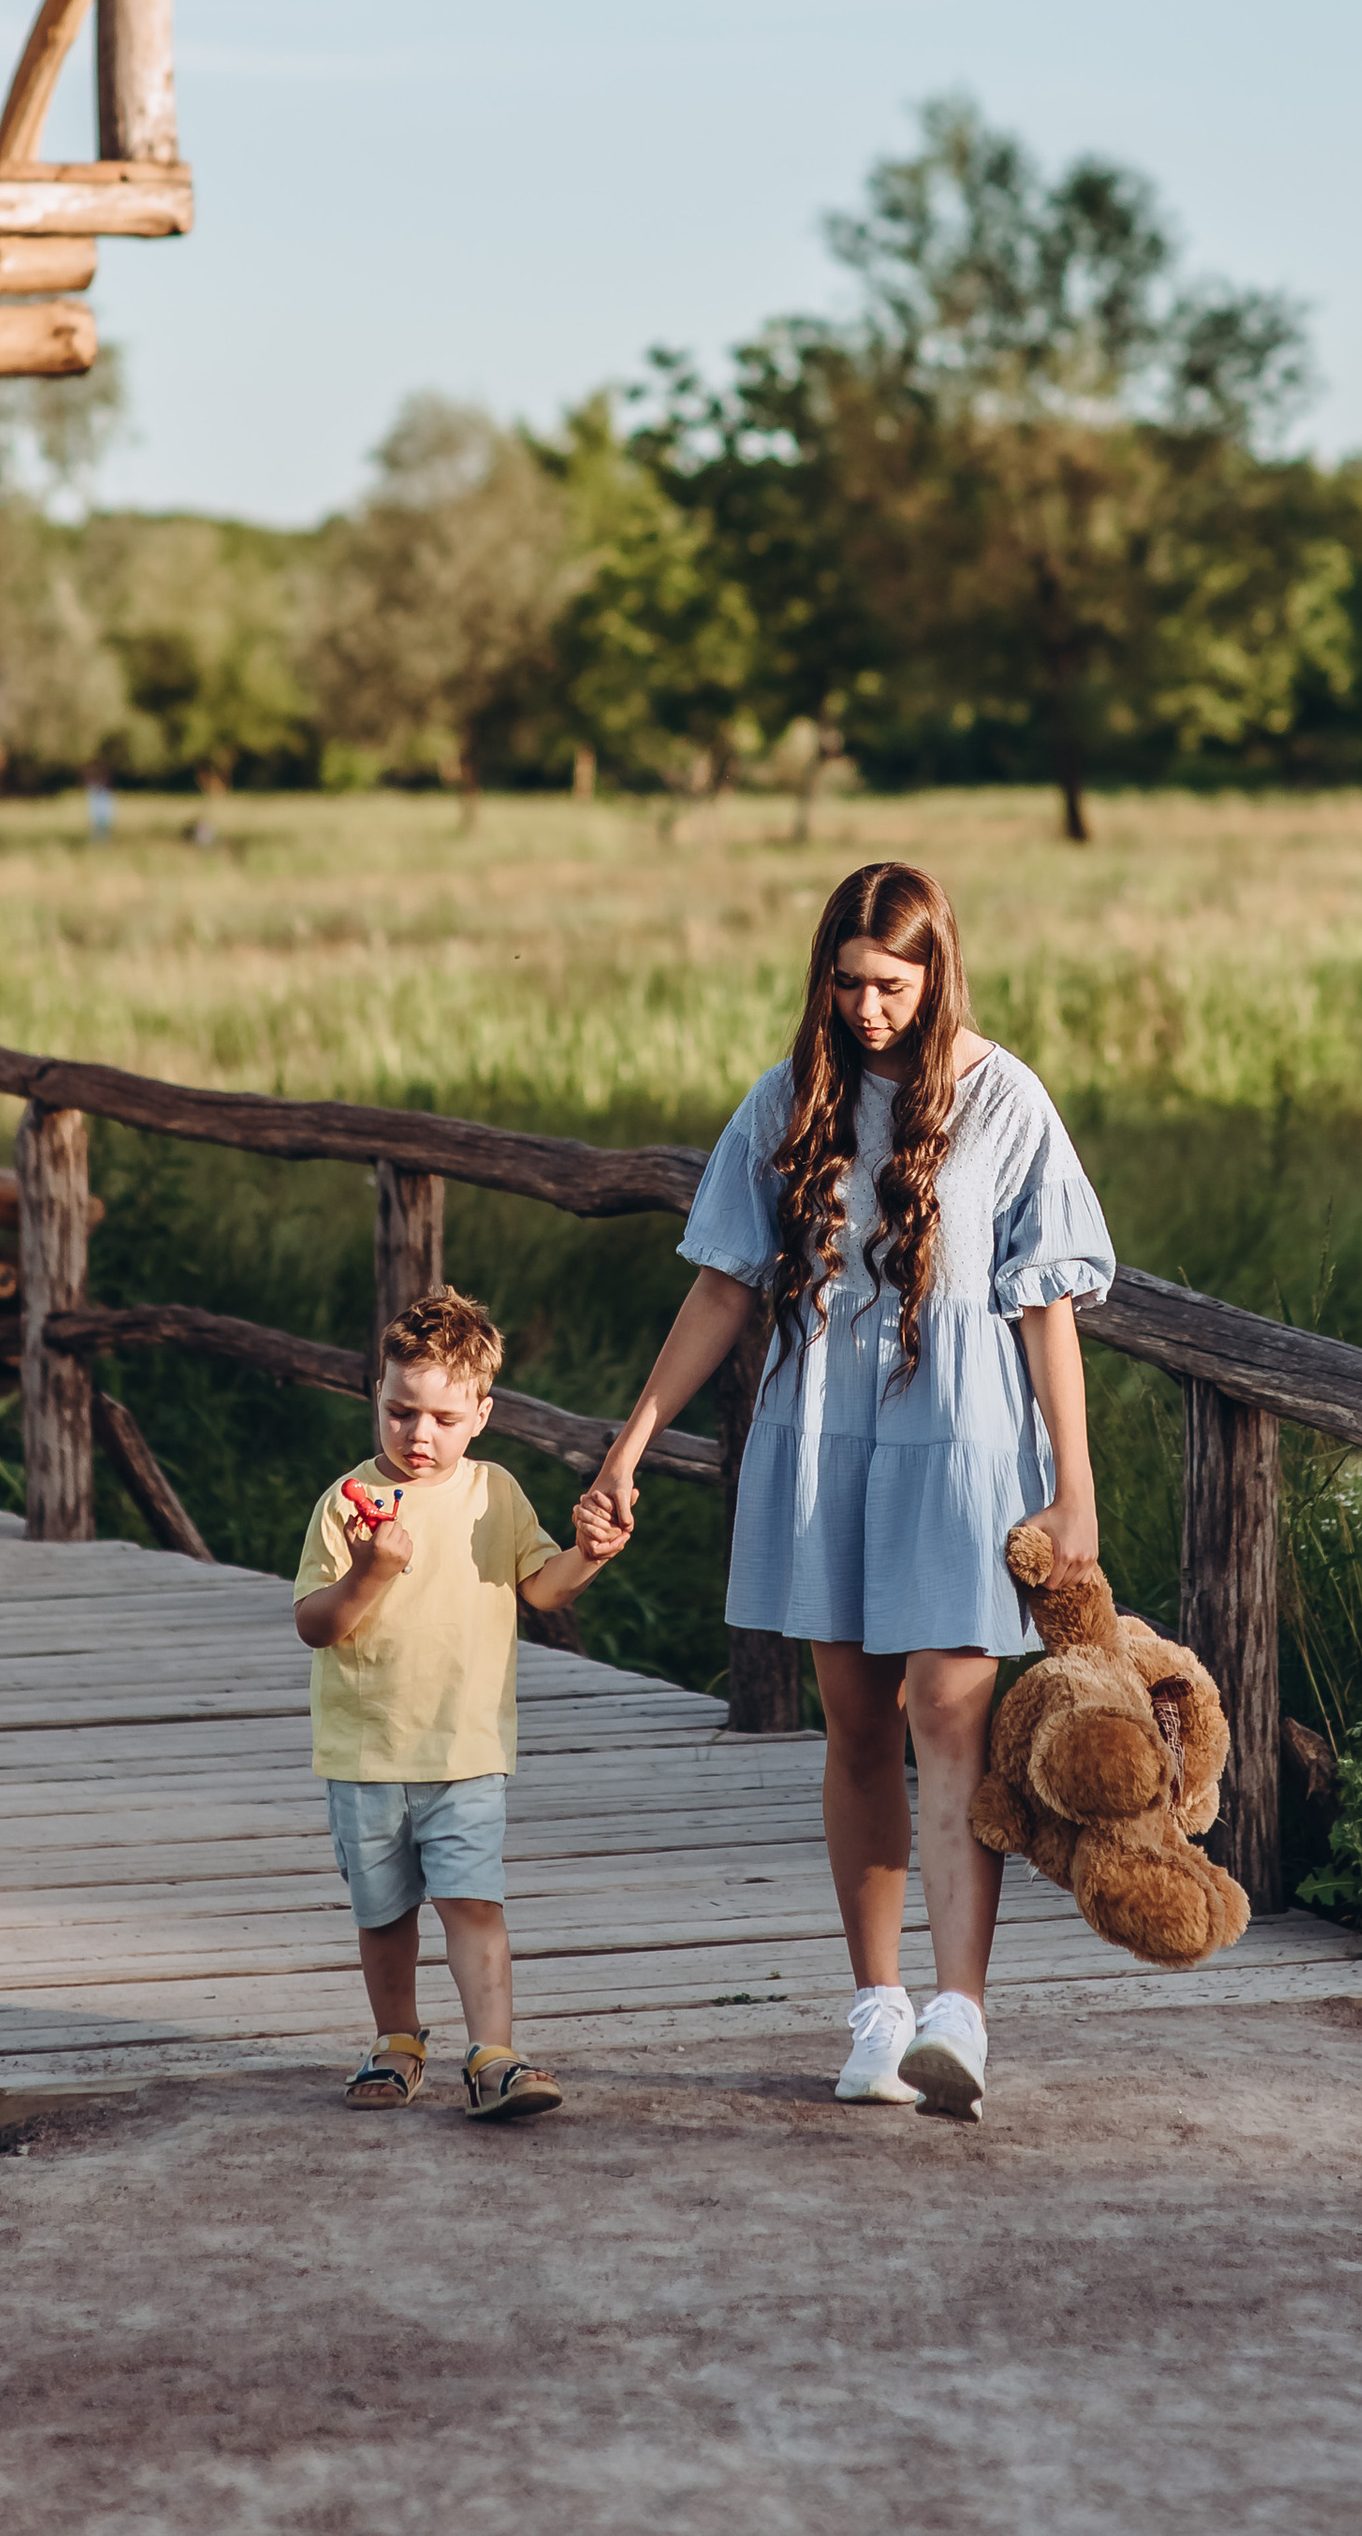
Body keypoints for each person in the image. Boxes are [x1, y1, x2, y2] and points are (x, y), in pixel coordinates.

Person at [582, 860, 1112, 2121]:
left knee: (950, 1716)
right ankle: (875, 2012)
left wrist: (1075, 1491)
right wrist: (628, 1446)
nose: (865, 1008)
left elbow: (1046, 1308)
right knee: (859, 1724)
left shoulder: (1009, 1100)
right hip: (822, 1435)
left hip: (968, 1440)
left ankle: (959, 2014)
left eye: (887, 984)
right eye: (844, 983)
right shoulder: (789, 1101)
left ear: (935, 972)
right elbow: (720, 1286)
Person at [295, 1285, 631, 2118]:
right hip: (367, 1752)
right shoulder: (346, 1504)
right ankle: (397, 2042)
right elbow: (315, 1624)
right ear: (377, 1397)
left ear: (482, 1413)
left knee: (474, 1904)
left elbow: (543, 1590)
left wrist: (590, 1556)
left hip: (467, 1750)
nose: (419, 1435)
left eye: (444, 1418)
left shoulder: (495, 1495)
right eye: (401, 1412)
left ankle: (495, 2055)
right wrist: (372, 1569)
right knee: (384, 1915)